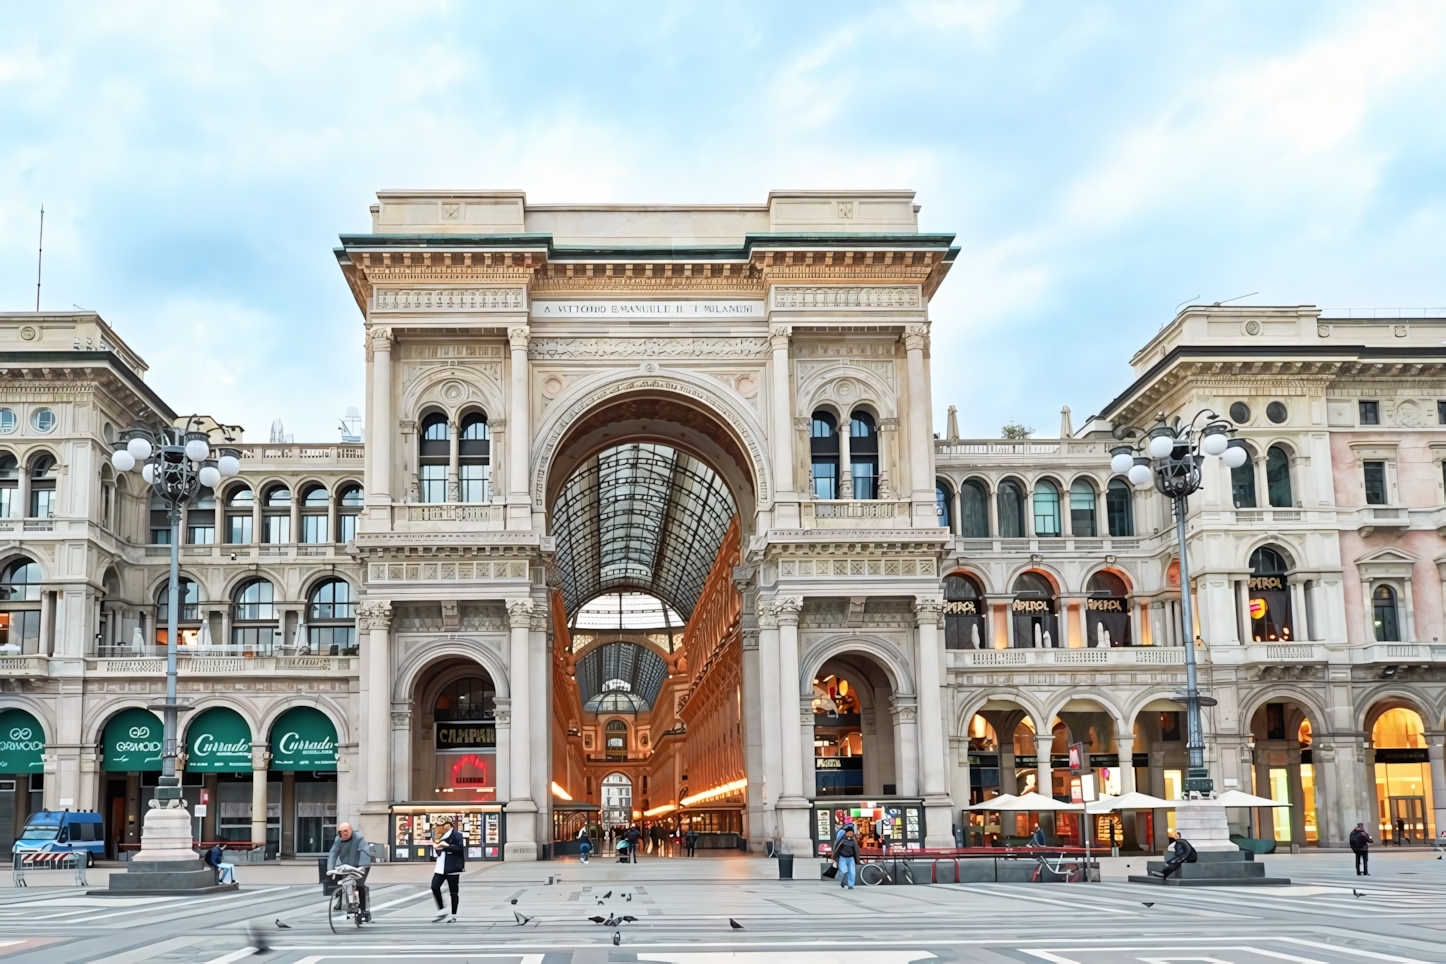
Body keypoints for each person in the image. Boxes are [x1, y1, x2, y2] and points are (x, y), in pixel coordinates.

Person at [327, 822, 372, 923]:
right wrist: (330, 868)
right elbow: (333, 853)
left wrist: (362, 867)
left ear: (351, 830)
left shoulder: (359, 838)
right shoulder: (338, 840)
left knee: (359, 885)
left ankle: (363, 909)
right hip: (346, 866)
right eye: (340, 832)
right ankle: (343, 902)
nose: (343, 834)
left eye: (345, 831)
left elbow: (364, 852)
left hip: (360, 865)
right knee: (344, 883)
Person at [430, 817, 466, 922]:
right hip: (440, 866)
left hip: (453, 867)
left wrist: (447, 846)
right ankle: (442, 910)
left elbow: (460, 849)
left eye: (441, 826)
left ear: (447, 826)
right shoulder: (438, 835)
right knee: (434, 886)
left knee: (453, 892)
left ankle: (453, 915)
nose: (438, 828)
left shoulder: (457, 835)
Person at [832, 825, 859, 889]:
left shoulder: (854, 840)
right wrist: (834, 856)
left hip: (851, 857)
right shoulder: (841, 840)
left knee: (852, 872)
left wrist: (857, 858)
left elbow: (856, 849)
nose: (851, 834)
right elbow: (836, 847)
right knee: (843, 870)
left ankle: (851, 885)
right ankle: (842, 881)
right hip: (842, 857)